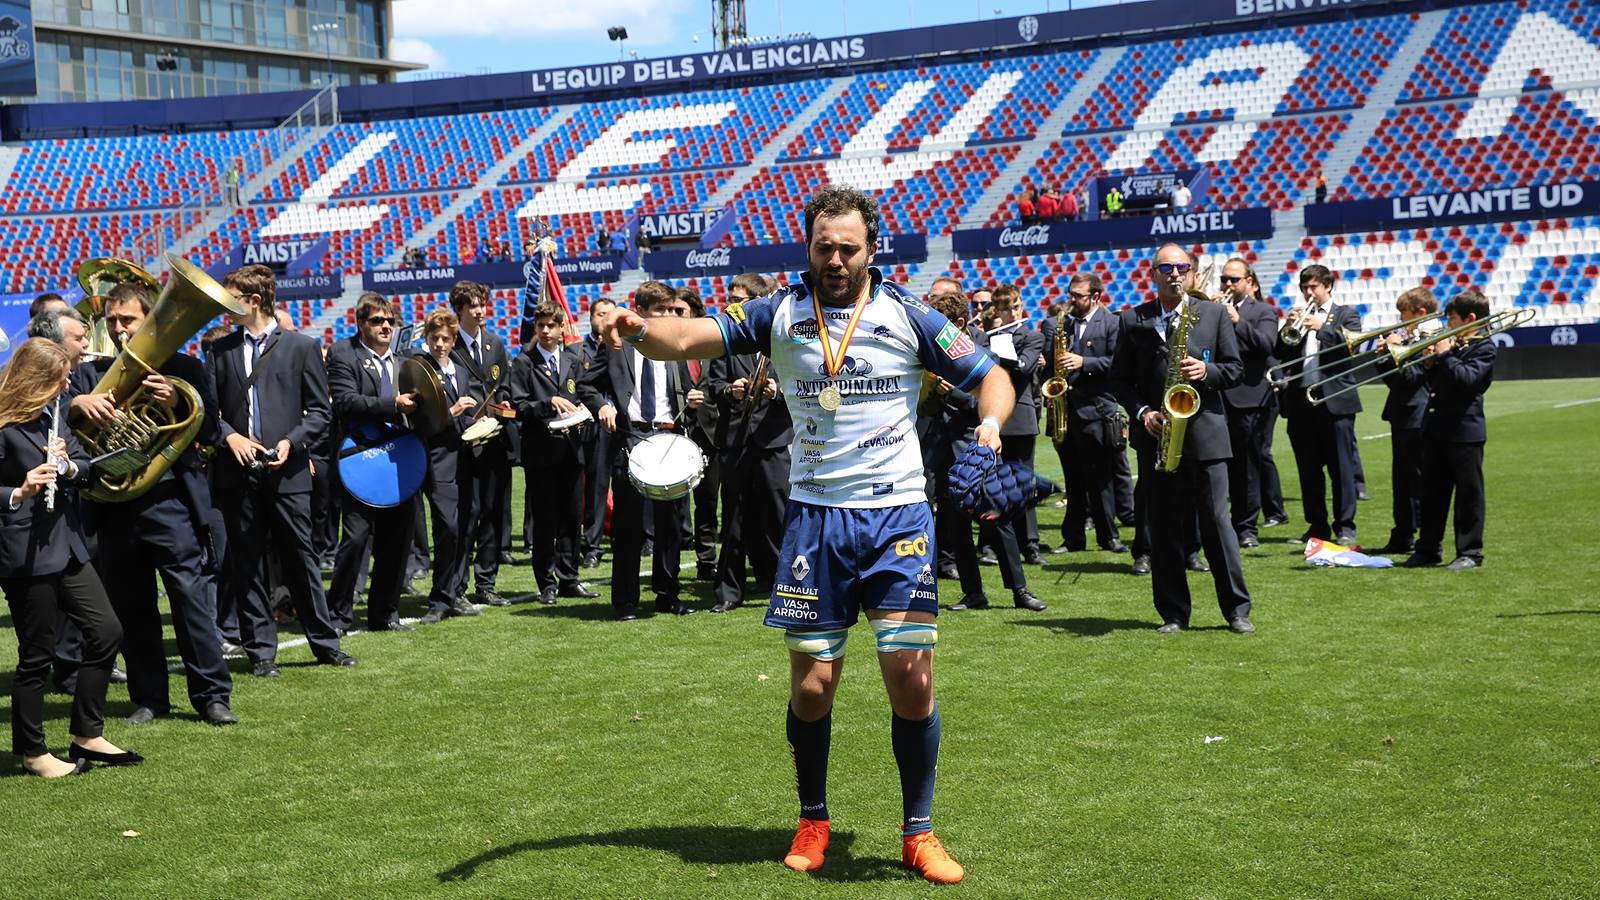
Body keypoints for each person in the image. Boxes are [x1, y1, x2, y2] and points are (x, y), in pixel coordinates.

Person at [601, 185, 1015, 884]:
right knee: (814, 688)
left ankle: (919, 832)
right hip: (817, 521)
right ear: (809, 248)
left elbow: (993, 376)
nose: (835, 258)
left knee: (911, 680)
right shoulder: (777, 312)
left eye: (848, 247)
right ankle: (813, 817)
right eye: (824, 246)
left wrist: (991, 424)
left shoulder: (910, 315)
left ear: (870, 250)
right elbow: (686, 336)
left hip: (898, 519)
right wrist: (634, 326)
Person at [89, 282, 237, 727]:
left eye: (127, 320)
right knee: (133, 606)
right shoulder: (91, 372)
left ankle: (212, 695)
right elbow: (68, 427)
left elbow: (211, 431)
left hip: (170, 500)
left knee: (190, 599)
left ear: (150, 320)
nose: (118, 329)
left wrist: (176, 401)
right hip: (116, 506)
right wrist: (83, 403)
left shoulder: (186, 367)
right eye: (112, 321)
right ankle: (149, 697)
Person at [209, 264, 355, 677]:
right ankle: (261, 653)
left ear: (253, 301)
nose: (224, 304)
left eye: (231, 296)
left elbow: (319, 413)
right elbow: (209, 412)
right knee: (248, 564)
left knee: (301, 559)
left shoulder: (301, 347)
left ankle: (325, 643)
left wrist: (291, 441)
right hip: (239, 472)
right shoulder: (218, 352)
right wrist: (229, 438)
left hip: (287, 471)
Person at [1, 338, 138, 777]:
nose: (67, 388)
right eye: (60, 379)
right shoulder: (4, 427)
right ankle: (33, 752)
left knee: (106, 631)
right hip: (25, 551)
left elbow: (85, 466)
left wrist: (68, 467)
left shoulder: (50, 418)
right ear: (37, 379)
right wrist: (19, 492)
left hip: (66, 544)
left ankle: (87, 733)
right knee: (37, 656)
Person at [1110, 243, 1253, 634]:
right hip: (1157, 437)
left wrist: (1205, 371)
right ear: (1153, 273)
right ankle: (1174, 613)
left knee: (1217, 525)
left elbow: (1236, 370)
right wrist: (1142, 412)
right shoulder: (1131, 319)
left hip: (1205, 435)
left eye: (1182, 267)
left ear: (1190, 273)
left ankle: (1237, 611)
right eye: (1166, 267)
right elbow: (1119, 379)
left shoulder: (1212, 313)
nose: (1174, 273)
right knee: (1165, 527)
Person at [578, 281, 702, 619]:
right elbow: (587, 385)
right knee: (629, 527)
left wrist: (692, 401)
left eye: (670, 310)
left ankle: (667, 594)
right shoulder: (618, 346)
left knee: (671, 526)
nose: (666, 316)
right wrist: (602, 405)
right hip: (630, 440)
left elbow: (686, 391)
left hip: (671, 440)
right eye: (660, 310)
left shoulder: (675, 347)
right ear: (642, 311)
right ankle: (625, 600)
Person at [924, 291, 1044, 612]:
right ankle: (973, 592)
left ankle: (1020, 590)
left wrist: (951, 393)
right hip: (944, 450)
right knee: (955, 525)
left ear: (959, 324)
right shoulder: (933, 352)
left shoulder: (981, 351)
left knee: (998, 518)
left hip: (978, 448)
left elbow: (983, 402)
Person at [326, 292, 431, 634]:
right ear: (360, 324)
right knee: (356, 538)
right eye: (377, 320)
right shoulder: (344, 353)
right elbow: (344, 401)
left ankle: (384, 613)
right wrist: (393, 405)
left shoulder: (408, 358)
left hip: (401, 460)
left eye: (390, 321)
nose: (385, 326)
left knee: (397, 539)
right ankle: (339, 614)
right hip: (359, 459)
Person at [706, 273, 790, 613]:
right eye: (730, 299)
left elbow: (804, 384)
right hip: (737, 439)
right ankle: (728, 591)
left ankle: (786, 587)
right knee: (734, 521)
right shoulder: (724, 340)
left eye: (739, 300)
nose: (732, 306)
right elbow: (713, 385)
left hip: (774, 439)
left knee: (781, 518)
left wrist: (778, 390)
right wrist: (730, 390)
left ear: (757, 303)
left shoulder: (783, 338)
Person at [508, 302, 597, 603]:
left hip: (572, 449)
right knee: (545, 520)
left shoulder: (573, 359)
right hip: (541, 452)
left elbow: (584, 392)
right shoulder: (524, 362)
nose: (546, 331)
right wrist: (549, 404)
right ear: (536, 328)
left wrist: (587, 408)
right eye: (541, 325)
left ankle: (569, 577)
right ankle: (546, 582)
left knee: (572, 517)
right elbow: (517, 406)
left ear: (562, 329)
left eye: (551, 325)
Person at [1404, 289, 1496, 570]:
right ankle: (1428, 548)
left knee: (1468, 497)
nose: (1448, 325)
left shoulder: (1485, 347)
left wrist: (1444, 357)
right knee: (1432, 495)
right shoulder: (1455, 345)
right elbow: (1440, 383)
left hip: (1464, 432)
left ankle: (1470, 552)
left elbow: (1468, 381)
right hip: (1436, 429)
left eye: (1452, 319)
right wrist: (1431, 362)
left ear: (1470, 318)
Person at [1275, 264, 1363, 544]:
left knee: (1341, 469)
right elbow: (1281, 353)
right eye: (1305, 287)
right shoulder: (1301, 316)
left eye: (1313, 287)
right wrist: (1289, 328)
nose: (1309, 292)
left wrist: (1322, 327)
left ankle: (1345, 527)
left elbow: (1350, 348)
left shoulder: (1347, 314)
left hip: (1335, 402)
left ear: (1328, 286)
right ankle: (1316, 527)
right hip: (1302, 403)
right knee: (1308, 471)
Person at [412, 308, 489, 622]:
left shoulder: (460, 367)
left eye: (445, 338)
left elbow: (470, 408)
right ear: (426, 338)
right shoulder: (418, 369)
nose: (440, 344)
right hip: (439, 459)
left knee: (467, 525)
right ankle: (440, 598)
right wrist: (455, 411)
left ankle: (456, 592)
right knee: (449, 527)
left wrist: (481, 419)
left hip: (468, 456)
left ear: (454, 339)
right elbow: (419, 420)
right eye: (435, 338)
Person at [1044, 273, 1127, 554]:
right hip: (1066, 411)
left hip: (1096, 410)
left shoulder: (1112, 323)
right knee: (1073, 480)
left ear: (1095, 297)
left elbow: (1118, 363)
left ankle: (1108, 536)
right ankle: (1073, 537)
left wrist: (1084, 362)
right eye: (1071, 294)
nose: (1072, 300)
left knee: (1100, 478)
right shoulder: (1063, 324)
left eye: (1078, 295)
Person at [973, 284, 1048, 570]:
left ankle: (1029, 543)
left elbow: (1024, 367)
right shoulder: (983, 337)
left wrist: (999, 349)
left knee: (1023, 482)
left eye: (1013, 307)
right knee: (991, 484)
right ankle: (990, 544)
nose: (1009, 313)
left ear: (1020, 306)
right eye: (1003, 308)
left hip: (1021, 416)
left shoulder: (1032, 336)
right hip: (993, 418)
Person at [451, 280, 514, 608]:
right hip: (465, 442)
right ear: (459, 309)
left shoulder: (495, 343)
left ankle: (486, 582)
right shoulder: (450, 345)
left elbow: (504, 385)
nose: (479, 311)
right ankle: (458, 585)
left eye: (482, 304)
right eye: (472, 305)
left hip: (494, 440)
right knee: (468, 513)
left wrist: (501, 406)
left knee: (492, 512)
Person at [1217, 259, 1279, 549]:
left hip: (1248, 399)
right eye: (1225, 279)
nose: (1228, 285)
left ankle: (1246, 527)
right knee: (1218, 466)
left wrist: (1237, 322)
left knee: (1247, 467)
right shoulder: (1213, 309)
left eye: (1234, 280)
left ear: (1249, 281)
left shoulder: (1263, 311)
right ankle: (1219, 522)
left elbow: (1267, 345)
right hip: (1218, 397)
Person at [1374, 288, 1439, 555]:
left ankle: (1424, 536)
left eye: (1404, 314)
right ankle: (1402, 534)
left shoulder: (1432, 336)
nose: (1400, 319)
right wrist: (1384, 356)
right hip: (1401, 414)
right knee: (1401, 481)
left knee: (1418, 481)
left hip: (1419, 415)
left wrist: (1395, 349)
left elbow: (1412, 378)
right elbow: (1395, 381)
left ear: (1420, 313)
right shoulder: (1410, 336)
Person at [677, 287, 721, 580]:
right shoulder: (668, 349)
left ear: (694, 312)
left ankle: (722, 559)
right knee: (691, 504)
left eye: (680, 311)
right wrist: (685, 404)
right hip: (682, 434)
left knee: (712, 501)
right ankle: (704, 561)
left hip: (716, 433)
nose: (674, 317)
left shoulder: (712, 345)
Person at [579, 299, 617, 568]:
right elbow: (582, 385)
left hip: (626, 423)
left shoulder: (626, 345)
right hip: (597, 425)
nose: (605, 319)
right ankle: (592, 545)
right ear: (591, 317)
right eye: (600, 314)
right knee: (597, 485)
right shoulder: (578, 349)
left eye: (609, 314)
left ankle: (638, 538)